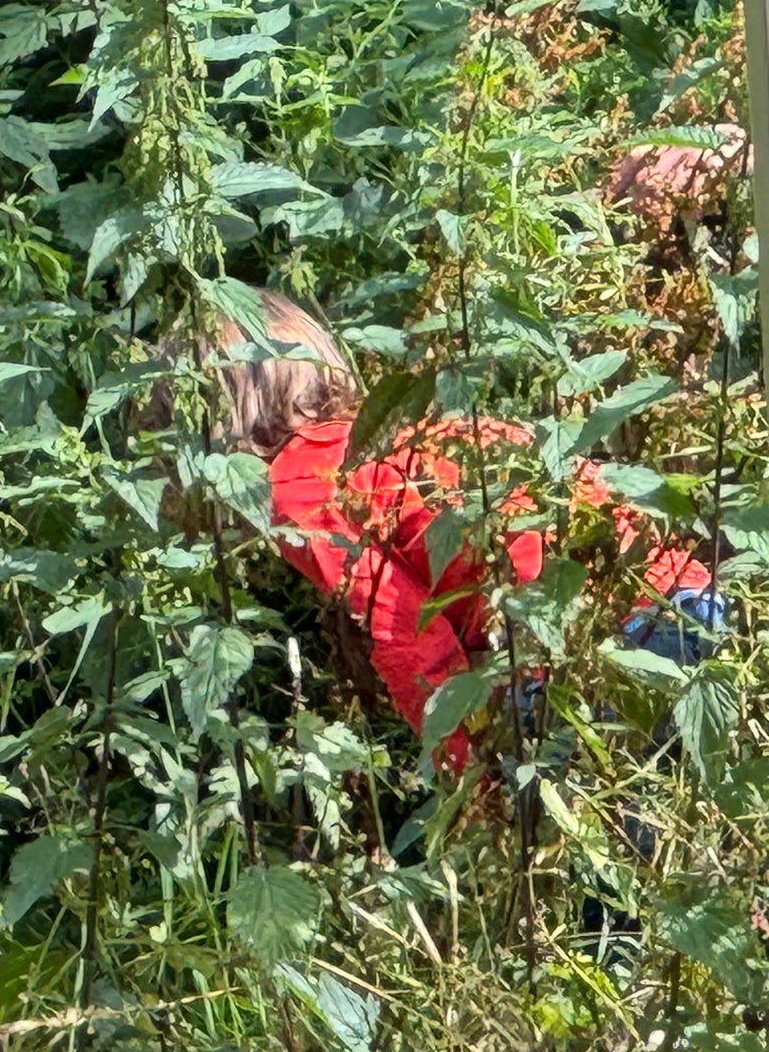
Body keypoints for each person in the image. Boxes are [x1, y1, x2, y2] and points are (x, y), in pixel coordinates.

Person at [173, 285, 718, 756]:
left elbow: (405, 631)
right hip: (684, 594)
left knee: (598, 822)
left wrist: (468, 779)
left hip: (599, 645)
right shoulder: (389, 428)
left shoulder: (295, 489)